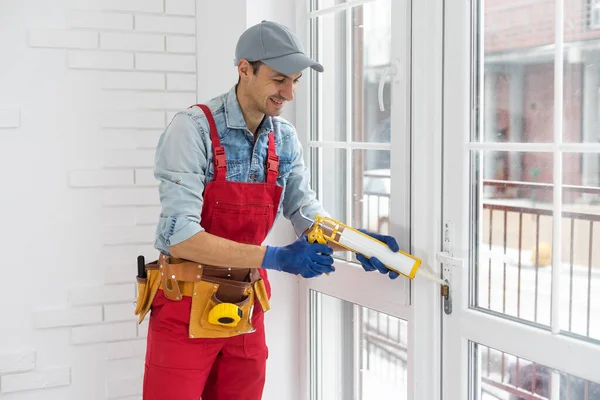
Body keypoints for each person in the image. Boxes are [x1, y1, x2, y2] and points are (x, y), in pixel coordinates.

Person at [140, 20, 401, 400]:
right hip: (184, 305)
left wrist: (358, 243)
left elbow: (307, 215)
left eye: (295, 81)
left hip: (244, 307)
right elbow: (181, 237)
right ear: (245, 69)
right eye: (280, 80)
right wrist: (276, 257)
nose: (289, 93)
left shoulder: (283, 138)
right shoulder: (192, 129)